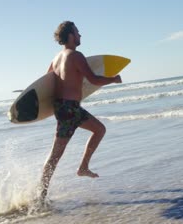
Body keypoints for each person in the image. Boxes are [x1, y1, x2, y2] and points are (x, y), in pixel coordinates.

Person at [38, 21, 122, 200]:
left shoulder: (56, 58)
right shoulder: (76, 56)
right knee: (56, 154)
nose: (80, 35)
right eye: (77, 32)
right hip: (70, 109)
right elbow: (93, 79)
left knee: (98, 130)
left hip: (63, 108)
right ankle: (41, 195)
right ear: (70, 35)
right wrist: (113, 79)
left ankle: (45, 191)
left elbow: (47, 83)